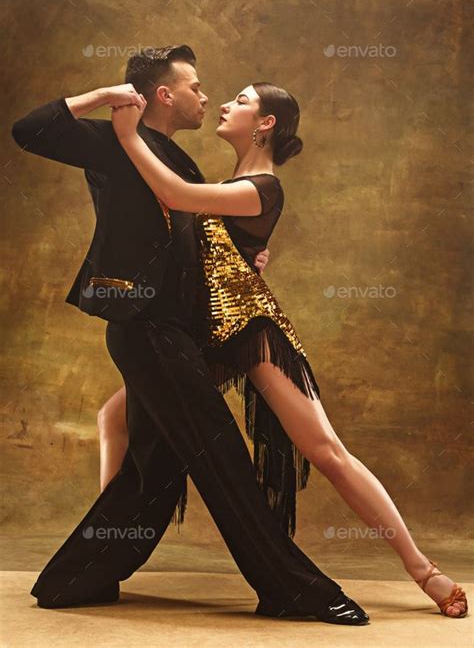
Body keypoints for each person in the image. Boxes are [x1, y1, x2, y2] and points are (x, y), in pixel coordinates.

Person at [11, 45, 369, 624]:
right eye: (196, 87)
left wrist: (251, 256)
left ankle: (77, 577)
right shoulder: (110, 141)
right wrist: (104, 98)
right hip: (145, 328)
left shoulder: (181, 162)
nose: (206, 96)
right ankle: (290, 587)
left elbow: (201, 244)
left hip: (175, 332)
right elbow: (28, 130)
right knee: (221, 455)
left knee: (154, 470)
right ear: (163, 94)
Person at [104, 81, 467, 620]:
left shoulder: (263, 186)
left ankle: (423, 570)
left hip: (253, 333)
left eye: (242, 101)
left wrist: (126, 137)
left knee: (326, 453)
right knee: (114, 417)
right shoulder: (236, 184)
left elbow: (175, 195)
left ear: (266, 123)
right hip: (208, 337)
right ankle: (105, 548)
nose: (225, 105)